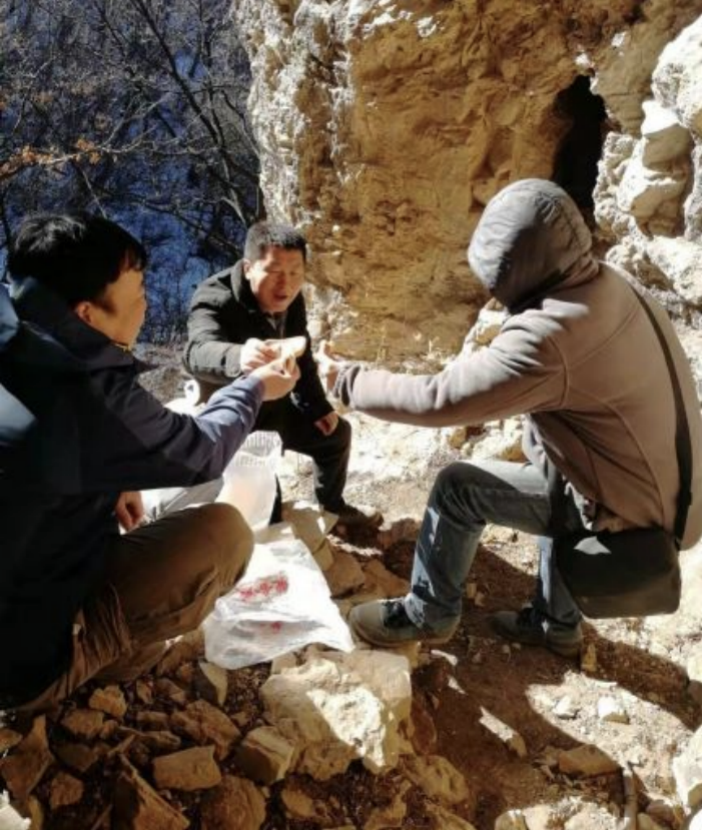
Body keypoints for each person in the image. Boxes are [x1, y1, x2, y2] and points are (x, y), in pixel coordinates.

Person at [317, 179, 702, 657]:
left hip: (631, 514)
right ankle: (557, 626)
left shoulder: (551, 337)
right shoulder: (608, 282)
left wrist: (344, 381)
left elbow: (439, 399)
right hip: (675, 490)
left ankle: (428, 613)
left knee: (459, 487)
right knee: (558, 476)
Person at [0, 214, 298, 715]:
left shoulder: (21, 343)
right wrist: (254, 388)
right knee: (224, 535)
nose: (147, 303)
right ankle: (95, 660)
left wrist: (110, 471)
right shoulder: (86, 395)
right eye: (138, 292)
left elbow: (39, 453)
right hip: (20, 666)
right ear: (87, 314)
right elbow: (202, 451)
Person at [184, 221, 379, 528]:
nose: (285, 286)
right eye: (274, 272)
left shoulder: (291, 298)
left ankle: (333, 507)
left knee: (336, 434)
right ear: (248, 268)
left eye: (295, 273)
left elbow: (302, 353)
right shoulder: (214, 297)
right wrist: (239, 356)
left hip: (279, 408)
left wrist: (317, 407)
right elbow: (196, 351)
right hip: (237, 418)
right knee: (268, 510)